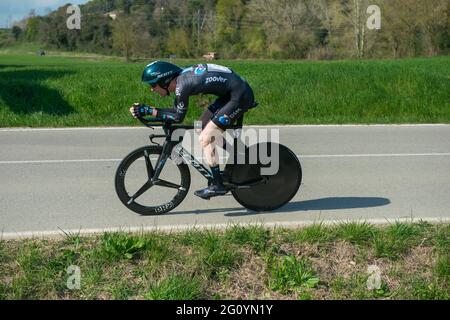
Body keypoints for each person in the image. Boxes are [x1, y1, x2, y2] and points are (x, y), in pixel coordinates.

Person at [130, 61, 257, 199]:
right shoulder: (182, 81)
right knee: (200, 127)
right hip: (231, 94)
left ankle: (218, 185)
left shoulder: (183, 85)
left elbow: (178, 117)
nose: (152, 89)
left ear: (164, 80)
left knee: (206, 138)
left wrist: (148, 110)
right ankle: (240, 156)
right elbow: (175, 112)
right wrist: (149, 111)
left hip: (239, 96)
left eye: (153, 85)